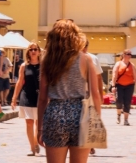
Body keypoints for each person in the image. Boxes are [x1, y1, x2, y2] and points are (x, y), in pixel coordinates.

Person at [37, 19, 101, 163]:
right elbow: (95, 95)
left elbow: (42, 98)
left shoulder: (48, 60)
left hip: (55, 112)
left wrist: (39, 128)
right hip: (80, 113)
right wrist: (95, 127)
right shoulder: (85, 59)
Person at [12, 42, 42, 155]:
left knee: (38, 124)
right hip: (27, 96)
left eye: (35, 49)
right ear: (28, 52)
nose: (33, 51)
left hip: (39, 98)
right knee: (29, 122)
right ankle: (32, 147)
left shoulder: (43, 66)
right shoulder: (24, 66)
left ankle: (35, 142)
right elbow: (19, 82)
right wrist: (14, 98)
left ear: (39, 52)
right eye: (31, 49)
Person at [111, 50, 136, 125]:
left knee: (127, 102)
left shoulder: (132, 65)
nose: (129, 55)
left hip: (129, 85)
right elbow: (114, 75)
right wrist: (113, 86)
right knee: (119, 101)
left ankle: (126, 119)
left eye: (130, 54)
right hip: (119, 85)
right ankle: (118, 115)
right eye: (128, 54)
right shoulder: (118, 64)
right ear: (123, 55)